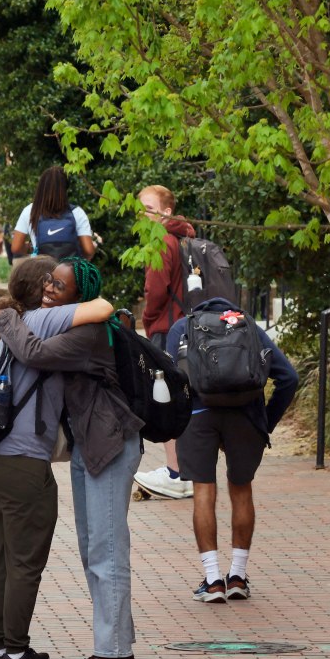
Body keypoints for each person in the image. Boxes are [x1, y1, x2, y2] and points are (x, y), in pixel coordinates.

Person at [0, 257, 142, 659]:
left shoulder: (87, 333)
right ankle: (117, 643)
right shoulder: (70, 324)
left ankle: (114, 652)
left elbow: (33, 352)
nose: (50, 288)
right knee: (94, 549)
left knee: (107, 550)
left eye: (59, 285)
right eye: (48, 281)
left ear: (79, 296)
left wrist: (5, 318)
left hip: (110, 443)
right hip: (88, 445)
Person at [167, 297, 298, 605]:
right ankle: (237, 577)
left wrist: (177, 420)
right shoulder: (247, 325)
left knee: (203, 491)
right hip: (245, 415)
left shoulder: (181, 327)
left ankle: (213, 580)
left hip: (198, 416)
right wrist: (265, 422)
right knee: (241, 490)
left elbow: (172, 381)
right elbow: (288, 378)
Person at [133, 183, 197, 500]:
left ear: (166, 211)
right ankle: (188, 470)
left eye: (149, 208)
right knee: (185, 399)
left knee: (168, 401)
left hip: (167, 327)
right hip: (189, 327)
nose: (143, 215)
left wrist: (148, 318)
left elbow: (155, 292)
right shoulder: (186, 238)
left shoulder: (161, 242)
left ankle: (176, 473)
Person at [10, 166, 95, 260]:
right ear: (65, 189)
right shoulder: (77, 212)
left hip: (42, 267)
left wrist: (29, 248)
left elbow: (16, 248)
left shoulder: (31, 210)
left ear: (41, 187)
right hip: (69, 268)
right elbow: (88, 250)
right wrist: (80, 262)